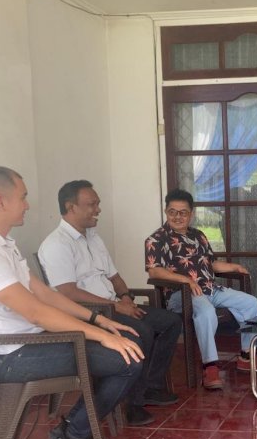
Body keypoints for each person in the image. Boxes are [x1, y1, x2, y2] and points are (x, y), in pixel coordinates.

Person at [0, 166, 144, 439]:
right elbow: (35, 312)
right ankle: (73, 435)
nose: (28, 205)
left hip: (33, 342)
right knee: (126, 360)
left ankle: (73, 429)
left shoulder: (3, 244)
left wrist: (98, 321)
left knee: (124, 347)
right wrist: (102, 336)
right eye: (23, 197)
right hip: (14, 355)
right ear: (0, 201)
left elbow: (44, 293)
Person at [39, 180, 182, 426]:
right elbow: (68, 293)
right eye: (92, 204)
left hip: (114, 305)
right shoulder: (56, 245)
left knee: (170, 322)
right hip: (89, 314)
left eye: (98, 203)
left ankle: (149, 386)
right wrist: (116, 307)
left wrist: (125, 298)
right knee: (142, 331)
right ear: (71, 207)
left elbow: (114, 277)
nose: (98, 209)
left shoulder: (94, 238)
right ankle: (133, 405)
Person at [145, 189, 257, 390]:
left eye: (183, 212)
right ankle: (210, 366)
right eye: (172, 212)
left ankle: (246, 355)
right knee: (206, 311)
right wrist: (186, 280)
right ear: (166, 211)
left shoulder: (198, 235)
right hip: (181, 294)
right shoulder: (156, 239)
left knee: (250, 303)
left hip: (209, 289)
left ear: (191, 214)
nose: (177, 217)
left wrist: (234, 267)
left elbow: (211, 264)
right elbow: (154, 271)